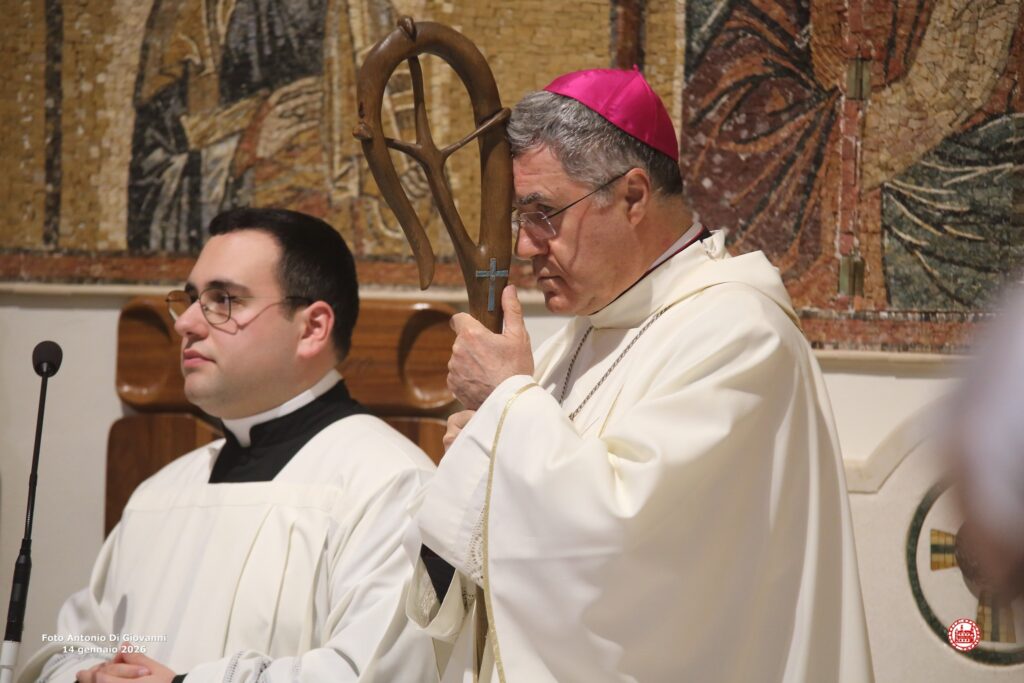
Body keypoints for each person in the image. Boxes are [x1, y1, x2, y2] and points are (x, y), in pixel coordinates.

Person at [406, 69, 874, 682]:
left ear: (632, 196)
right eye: (522, 217)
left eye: (544, 214)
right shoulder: (577, 339)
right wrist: (481, 450)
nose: (525, 247)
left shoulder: (741, 335)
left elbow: (625, 543)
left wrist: (506, 406)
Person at [22, 208, 438, 683]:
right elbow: (69, 648)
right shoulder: (160, 493)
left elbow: (376, 672)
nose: (186, 324)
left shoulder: (389, 484)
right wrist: (89, 676)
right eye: (191, 299)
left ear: (312, 328)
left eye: (223, 300)